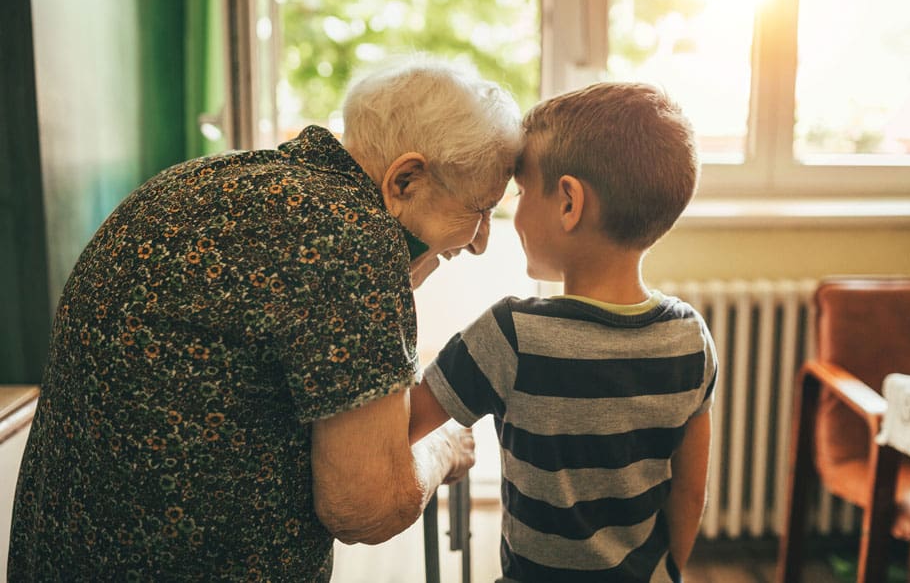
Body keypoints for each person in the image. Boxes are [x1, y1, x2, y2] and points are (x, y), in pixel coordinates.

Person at [9, 59, 522, 580]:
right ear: (405, 180)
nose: (480, 241)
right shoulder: (350, 237)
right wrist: (440, 449)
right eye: (480, 209)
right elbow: (367, 506)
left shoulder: (205, 179)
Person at [410, 82, 717, 583]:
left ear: (569, 202)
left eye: (523, 191)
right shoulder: (689, 339)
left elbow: (403, 424)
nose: (512, 211)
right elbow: (689, 490)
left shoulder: (510, 336)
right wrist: (670, 571)